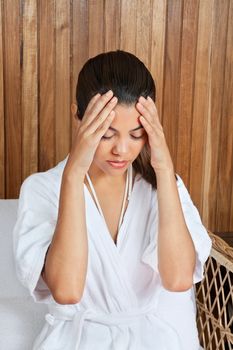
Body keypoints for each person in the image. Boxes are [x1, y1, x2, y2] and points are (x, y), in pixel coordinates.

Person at [13, 50, 212, 349]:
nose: (121, 149)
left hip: (151, 341)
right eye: (107, 134)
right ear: (78, 116)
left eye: (136, 134)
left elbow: (179, 279)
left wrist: (164, 167)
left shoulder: (160, 187)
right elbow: (67, 291)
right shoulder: (42, 189)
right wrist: (73, 175)